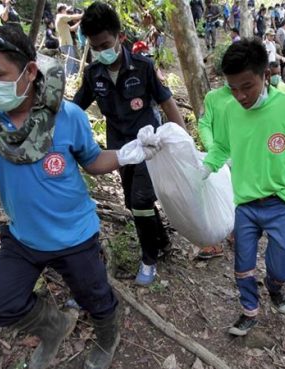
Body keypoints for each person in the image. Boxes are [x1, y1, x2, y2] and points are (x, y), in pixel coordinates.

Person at [0, 25, 159, 369]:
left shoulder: (68, 117)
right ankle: (54, 326)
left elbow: (92, 162)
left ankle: (108, 336)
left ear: (29, 71)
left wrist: (126, 153)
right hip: (24, 238)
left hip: (75, 235)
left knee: (96, 300)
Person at [201, 38, 285, 336]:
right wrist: (207, 167)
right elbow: (221, 146)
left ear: (266, 75)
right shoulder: (229, 109)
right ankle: (249, 310)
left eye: (246, 86)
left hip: (281, 202)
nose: (240, 96)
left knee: (282, 264)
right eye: (232, 88)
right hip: (244, 202)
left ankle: (275, 286)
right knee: (243, 265)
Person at [73, 2, 185, 286]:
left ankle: (149, 259)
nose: (101, 51)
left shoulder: (144, 66)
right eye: (95, 47)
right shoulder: (93, 74)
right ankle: (161, 241)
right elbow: (75, 109)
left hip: (149, 146)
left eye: (105, 44)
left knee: (141, 200)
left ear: (120, 37)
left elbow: (168, 105)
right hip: (120, 151)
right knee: (131, 201)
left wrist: (182, 143)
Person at [196, 84, 235, 259]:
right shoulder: (213, 97)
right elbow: (204, 124)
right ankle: (212, 242)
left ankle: (236, 234)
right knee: (212, 197)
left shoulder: (253, 96)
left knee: (238, 198)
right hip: (216, 160)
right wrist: (213, 150)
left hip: (244, 159)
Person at [55, 3, 82, 77]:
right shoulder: (61, 16)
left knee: (71, 61)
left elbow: (72, 29)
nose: (66, 11)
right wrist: (82, 15)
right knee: (69, 62)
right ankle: (68, 77)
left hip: (66, 43)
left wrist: (80, 21)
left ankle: (70, 76)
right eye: (65, 10)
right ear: (62, 10)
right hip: (66, 43)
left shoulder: (62, 20)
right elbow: (71, 17)